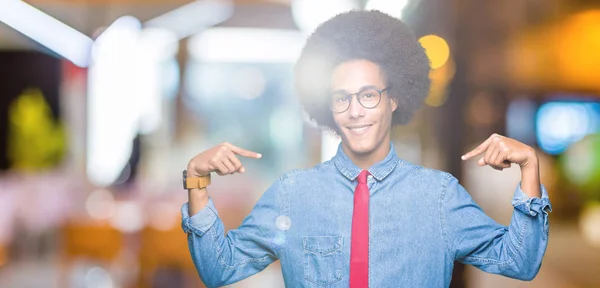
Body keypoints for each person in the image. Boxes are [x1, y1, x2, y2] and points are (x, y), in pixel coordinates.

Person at [181, 10, 552, 288]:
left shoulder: (438, 196)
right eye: (341, 98)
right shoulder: (293, 194)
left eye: (369, 95)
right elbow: (220, 269)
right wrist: (196, 180)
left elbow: (519, 262)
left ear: (393, 100)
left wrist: (530, 170)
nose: (355, 110)